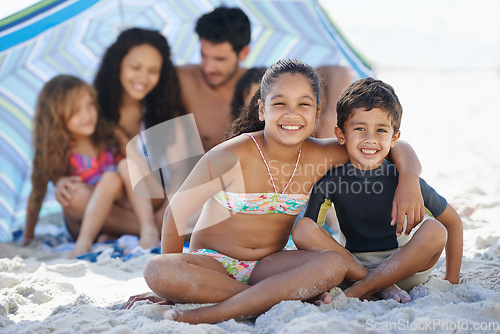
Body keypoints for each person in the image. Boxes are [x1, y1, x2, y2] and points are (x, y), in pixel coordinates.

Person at [123, 60, 425, 324]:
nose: (291, 114)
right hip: (213, 263)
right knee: (156, 270)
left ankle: (250, 299)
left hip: (270, 265)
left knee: (331, 264)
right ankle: (264, 300)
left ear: (318, 112)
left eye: (304, 105)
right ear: (262, 109)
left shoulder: (322, 154)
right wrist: (166, 289)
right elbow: (176, 213)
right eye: (280, 103)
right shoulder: (230, 156)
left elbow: (394, 147)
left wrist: (409, 179)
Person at [292, 78, 463, 303]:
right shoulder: (331, 181)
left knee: (435, 230)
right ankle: (374, 285)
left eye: (381, 130)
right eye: (360, 128)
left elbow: (453, 223)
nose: (370, 139)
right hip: (353, 269)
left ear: (394, 138)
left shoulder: (403, 180)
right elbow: (310, 236)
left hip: (406, 271)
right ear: (340, 134)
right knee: (303, 228)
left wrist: (451, 280)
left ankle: (363, 289)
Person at [54, 28, 185, 235]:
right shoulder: (91, 109)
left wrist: (171, 207)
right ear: (118, 66)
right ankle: (156, 230)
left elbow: (181, 169)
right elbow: (63, 151)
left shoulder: (165, 112)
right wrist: (59, 180)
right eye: (135, 67)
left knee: (128, 167)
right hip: (104, 200)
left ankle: (151, 227)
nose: (143, 77)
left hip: (151, 202)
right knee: (74, 197)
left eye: (153, 71)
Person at [178, 7, 353, 152]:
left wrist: (332, 116)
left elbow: (341, 71)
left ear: (244, 53)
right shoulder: (186, 79)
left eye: (220, 59)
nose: (208, 67)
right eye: (203, 56)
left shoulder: (261, 80)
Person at [23, 75, 160, 257]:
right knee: (72, 192)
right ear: (55, 117)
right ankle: (89, 240)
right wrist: (27, 237)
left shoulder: (111, 135)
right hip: (86, 221)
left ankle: (147, 231)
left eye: (89, 105)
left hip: (126, 204)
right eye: (76, 110)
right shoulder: (56, 153)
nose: (87, 115)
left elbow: (139, 169)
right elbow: (36, 195)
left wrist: (130, 159)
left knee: (126, 166)